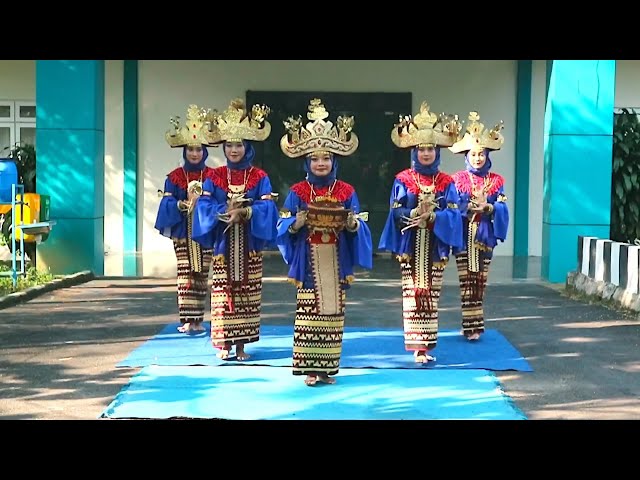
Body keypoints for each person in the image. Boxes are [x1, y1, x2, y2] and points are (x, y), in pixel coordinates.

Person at [277, 98, 373, 386]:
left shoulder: (346, 190)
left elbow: (359, 220)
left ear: (335, 161)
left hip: (336, 256)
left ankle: (328, 367)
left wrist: (353, 224)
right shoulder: (297, 190)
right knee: (308, 312)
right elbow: (282, 225)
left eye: (326, 158)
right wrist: (298, 222)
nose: (321, 163)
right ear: (308, 162)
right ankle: (309, 368)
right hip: (307, 259)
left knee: (333, 313)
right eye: (316, 159)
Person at [191, 98, 279, 360]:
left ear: (247, 146)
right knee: (222, 293)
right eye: (229, 144)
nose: (233, 149)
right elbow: (204, 204)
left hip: (249, 246)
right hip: (223, 246)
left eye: (239, 144)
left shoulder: (259, 176)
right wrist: (223, 211)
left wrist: (245, 212)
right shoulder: (215, 176)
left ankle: (242, 345)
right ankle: (224, 344)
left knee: (247, 294)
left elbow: (269, 209)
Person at [378, 101, 463, 363]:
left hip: (435, 246)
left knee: (432, 295)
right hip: (411, 246)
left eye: (431, 149)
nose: (426, 154)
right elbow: (395, 211)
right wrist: (413, 214)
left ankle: (427, 344)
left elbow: (455, 212)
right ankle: (417, 346)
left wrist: (436, 216)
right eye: (421, 149)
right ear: (414, 151)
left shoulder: (447, 181)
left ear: (437, 152)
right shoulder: (403, 178)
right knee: (412, 295)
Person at [154, 104, 219, 334]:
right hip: (183, 233)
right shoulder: (175, 176)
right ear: (184, 151)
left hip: (205, 233)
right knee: (185, 274)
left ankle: (199, 319)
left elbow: (219, 200)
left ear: (205, 151)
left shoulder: (213, 175)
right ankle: (186, 319)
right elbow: (167, 203)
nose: (194, 153)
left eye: (199, 149)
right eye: (190, 149)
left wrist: (202, 205)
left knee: (202, 273)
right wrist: (183, 204)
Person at [449, 111, 508, 341]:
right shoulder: (457, 179)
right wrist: (468, 206)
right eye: (473, 154)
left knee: (481, 281)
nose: (477, 159)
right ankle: (469, 325)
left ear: (487, 155)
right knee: (466, 281)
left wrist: (489, 208)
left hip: (485, 237)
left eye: (481, 154)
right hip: (465, 235)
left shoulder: (496, 181)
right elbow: (452, 206)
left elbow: (502, 206)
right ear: (466, 155)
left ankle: (476, 325)